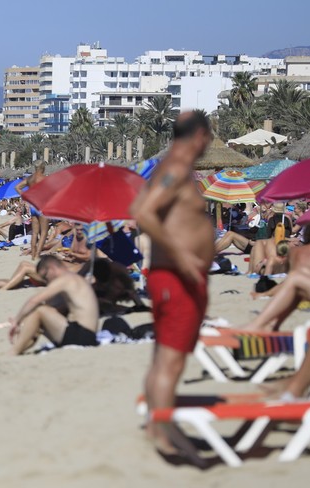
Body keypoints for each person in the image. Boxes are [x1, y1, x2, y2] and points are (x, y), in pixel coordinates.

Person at [129, 110, 214, 461]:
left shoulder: (173, 168)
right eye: (208, 136)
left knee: (163, 357)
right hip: (176, 279)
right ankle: (162, 435)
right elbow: (142, 211)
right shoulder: (176, 168)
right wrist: (181, 255)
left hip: (176, 279)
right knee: (171, 362)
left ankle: (154, 426)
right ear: (199, 136)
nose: (209, 143)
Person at [7, 256, 100, 354]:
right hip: (87, 336)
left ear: (52, 268)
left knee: (39, 310)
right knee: (39, 318)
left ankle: (13, 352)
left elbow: (34, 301)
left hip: (82, 336)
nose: (47, 281)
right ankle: (19, 348)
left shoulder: (65, 279)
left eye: (45, 276)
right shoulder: (74, 279)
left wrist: (16, 321)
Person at [14, 164, 48, 259]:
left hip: (33, 206)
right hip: (42, 205)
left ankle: (33, 255)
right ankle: (37, 255)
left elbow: (17, 187)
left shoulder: (29, 179)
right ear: (42, 168)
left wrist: (25, 195)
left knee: (35, 233)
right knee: (44, 233)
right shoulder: (45, 178)